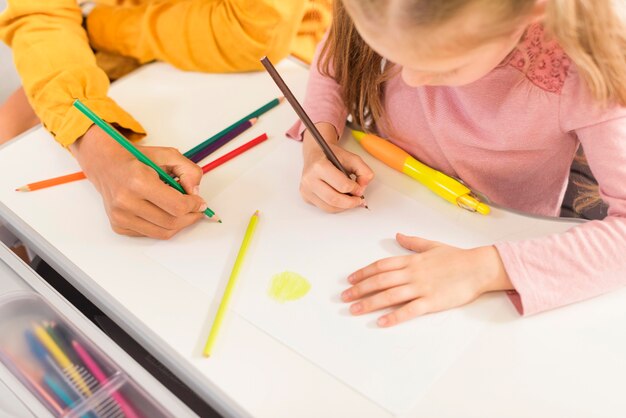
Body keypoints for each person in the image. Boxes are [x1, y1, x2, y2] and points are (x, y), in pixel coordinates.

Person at [289, 0, 626, 326]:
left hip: (496, 229)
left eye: (443, 65)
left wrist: (484, 269)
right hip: (390, 197)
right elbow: (337, 53)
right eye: (391, 54)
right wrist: (319, 140)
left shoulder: (586, 68)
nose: (409, 79)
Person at [0, 0, 331, 239]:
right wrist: (97, 146)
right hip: (126, 42)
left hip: (282, 56)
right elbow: (39, 14)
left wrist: (99, 24)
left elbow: (248, 36)